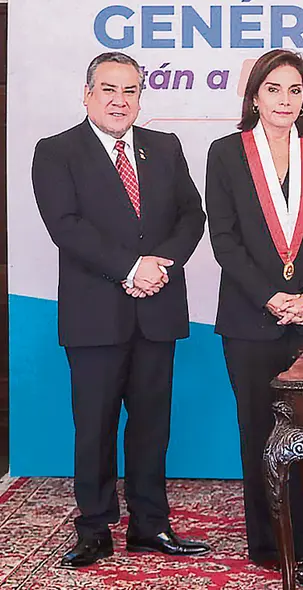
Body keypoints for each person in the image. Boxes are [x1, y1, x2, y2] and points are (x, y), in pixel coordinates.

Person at [31, 52, 210, 568]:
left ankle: (151, 526)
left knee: (153, 425)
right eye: (108, 89)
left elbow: (190, 214)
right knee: (95, 426)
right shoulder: (57, 151)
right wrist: (133, 267)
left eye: (130, 90)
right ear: (87, 94)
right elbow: (66, 226)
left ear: (140, 97)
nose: (119, 100)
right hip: (95, 318)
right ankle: (94, 529)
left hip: (157, 312)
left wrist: (161, 264)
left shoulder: (164, 147)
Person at [205, 49, 303, 572]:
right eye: (273, 89)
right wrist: (269, 296)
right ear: (255, 96)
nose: (284, 100)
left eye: (294, 90)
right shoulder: (225, 153)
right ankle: (269, 546)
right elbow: (223, 238)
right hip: (250, 318)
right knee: (258, 430)